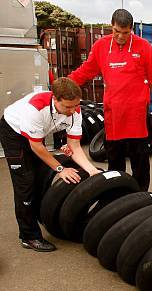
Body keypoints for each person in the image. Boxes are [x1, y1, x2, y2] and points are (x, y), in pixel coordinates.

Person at [68, 8, 152, 191]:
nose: (121, 36)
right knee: (115, 160)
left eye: (125, 32)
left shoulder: (143, 46)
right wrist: (63, 85)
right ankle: (117, 197)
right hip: (113, 115)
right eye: (117, 31)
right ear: (111, 26)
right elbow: (85, 71)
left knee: (139, 160)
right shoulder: (101, 46)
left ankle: (140, 196)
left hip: (137, 115)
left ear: (131, 29)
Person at [0, 78, 101, 252]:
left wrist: (92, 170)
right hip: (14, 133)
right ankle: (29, 236)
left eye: (75, 105)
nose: (72, 111)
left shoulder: (75, 110)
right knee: (26, 183)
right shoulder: (36, 109)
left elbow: (74, 146)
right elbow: (37, 146)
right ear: (55, 99)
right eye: (68, 107)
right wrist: (60, 169)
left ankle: (42, 217)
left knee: (40, 178)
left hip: (35, 136)